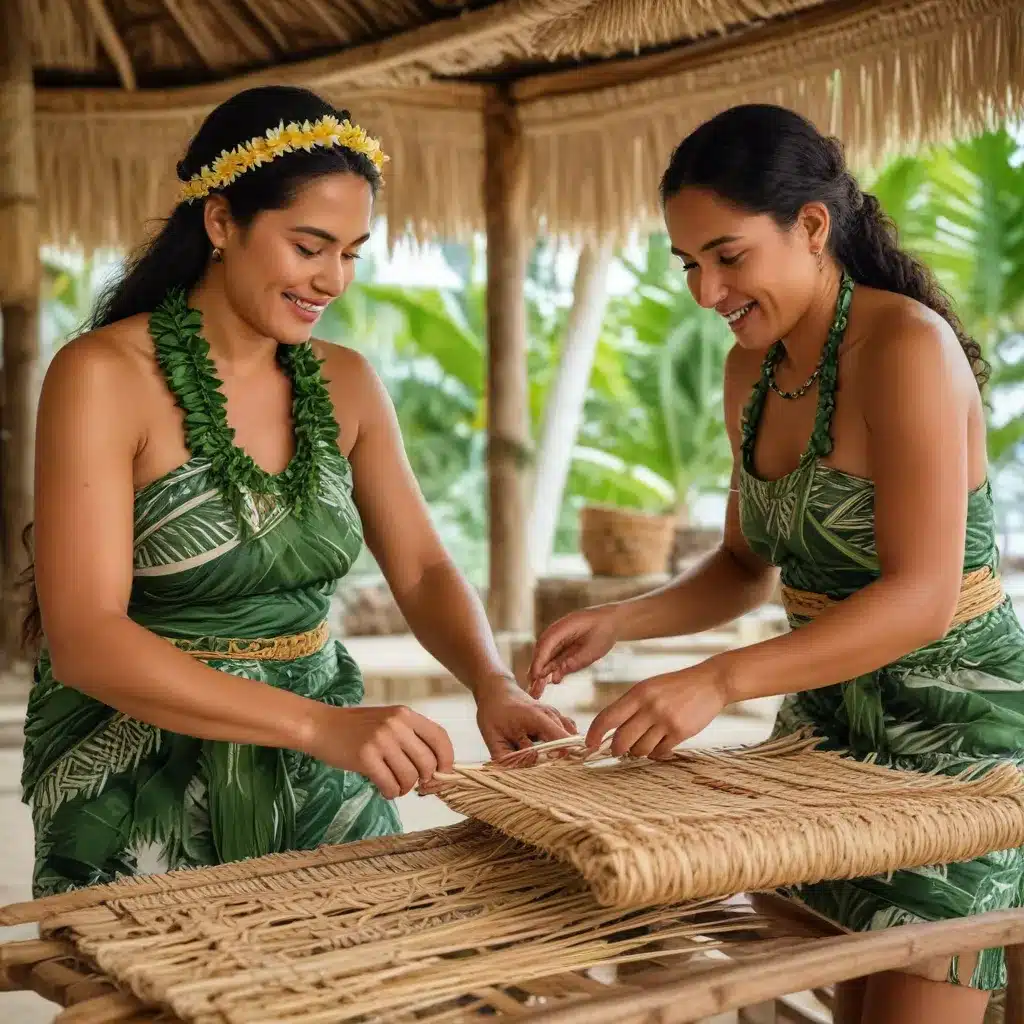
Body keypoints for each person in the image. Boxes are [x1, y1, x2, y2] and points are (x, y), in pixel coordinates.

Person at [529, 103, 1024, 1024]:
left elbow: (920, 600)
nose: (706, 291)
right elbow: (741, 565)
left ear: (810, 226)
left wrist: (719, 681)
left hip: (956, 743)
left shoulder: (906, 347)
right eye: (688, 265)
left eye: (727, 256)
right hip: (828, 733)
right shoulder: (746, 371)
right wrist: (622, 620)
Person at [23, 84, 574, 900]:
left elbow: (420, 569)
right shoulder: (102, 376)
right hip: (136, 768)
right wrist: (320, 727)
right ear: (220, 223)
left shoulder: (346, 383)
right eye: (310, 246)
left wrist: (491, 680)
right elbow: (86, 637)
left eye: (352, 252)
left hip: (324, 749)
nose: (334, 279)